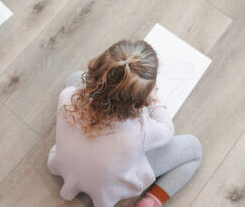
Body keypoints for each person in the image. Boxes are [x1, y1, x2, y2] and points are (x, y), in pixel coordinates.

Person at [48, 40, 202, 207]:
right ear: (140, 104)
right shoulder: (142, 131)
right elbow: (167, 129)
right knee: (193, 148)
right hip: (111, 187)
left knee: (74, 77)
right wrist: (155, 100)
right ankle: (150, 202)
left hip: (65, 165)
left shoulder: (68, 96)